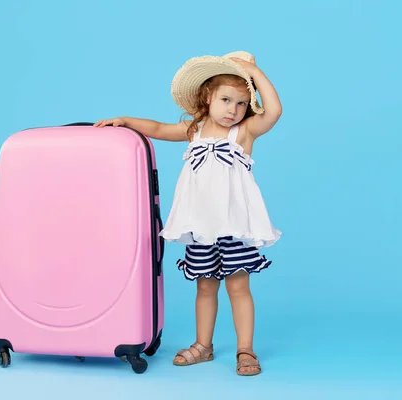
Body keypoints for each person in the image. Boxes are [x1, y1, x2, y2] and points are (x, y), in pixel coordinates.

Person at [94, 51, 282, 376]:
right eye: (226, 100)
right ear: (208, 97)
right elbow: (157, 127)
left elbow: (275, 110)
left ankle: (245, 349)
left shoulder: (244, 132)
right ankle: (203, 345)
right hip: (200, 227)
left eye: (241, 103)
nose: (233, 110)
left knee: (238, 287)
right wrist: (126, 121)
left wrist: (255, 72)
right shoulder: (194, 130)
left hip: (233, 227)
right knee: (205, 286)